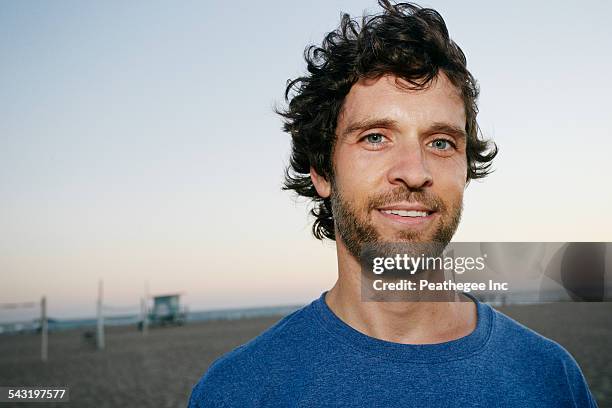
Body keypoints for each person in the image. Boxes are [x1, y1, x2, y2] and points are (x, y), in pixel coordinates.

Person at [189, 1, 597, 406]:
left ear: (465, 169)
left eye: (441, 142)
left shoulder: (551, 376)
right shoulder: (237, 391)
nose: (414, 171)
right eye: (375, 137)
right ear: (322, 171)